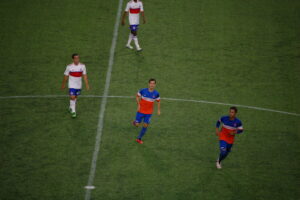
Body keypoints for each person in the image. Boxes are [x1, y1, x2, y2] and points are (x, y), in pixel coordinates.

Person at [61, 53, 90, 118]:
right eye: (76, 58)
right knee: (72, 96)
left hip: (78, 85)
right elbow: (66, 76)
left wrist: (87, 85)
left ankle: (71, 106)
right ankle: (74, 111)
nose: (77, 59)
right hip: (71, 84)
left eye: (78, 58)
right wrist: (63, 85)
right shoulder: (69, 67)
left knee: (75, 97)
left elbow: (85, 76)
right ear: (73, 59)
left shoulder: (82, 66)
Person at [133, 78, 161, 144]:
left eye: (153, 83)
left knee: (145, 125)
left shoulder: (156, 93)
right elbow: (137, 96)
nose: (152, 85)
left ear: (155, 85)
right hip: (140, 111)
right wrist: (138, 104)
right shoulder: (143, 90)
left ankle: (139, 138)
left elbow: (158, 101)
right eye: (151, 83)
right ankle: (135, 122)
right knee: (137, 124)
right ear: (148, 84)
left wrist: (159, 110)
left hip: (149, 113)